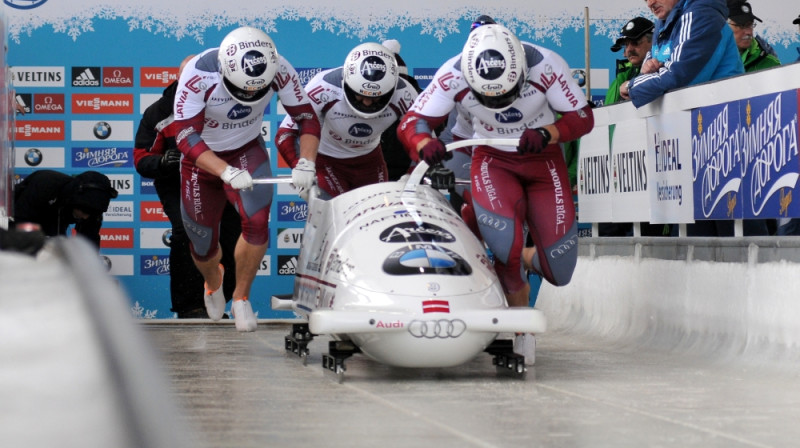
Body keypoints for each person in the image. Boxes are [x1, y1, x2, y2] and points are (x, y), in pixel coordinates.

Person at [397, 24, 594, 364]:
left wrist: (549, 133)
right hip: (492, 161)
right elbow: (413, 120)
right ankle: (521, 330)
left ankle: (526, 261)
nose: (499, 103)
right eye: (490, 97)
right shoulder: (453, 73)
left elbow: (582, 117)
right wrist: (424, 142)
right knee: (506, 248)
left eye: (506, 93)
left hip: (542, 160)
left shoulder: (546, 64)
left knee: (560, 271)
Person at [173, 26, 321, 331]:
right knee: (202, 241)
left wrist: (306, 162)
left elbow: (306, 116)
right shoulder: (199, 72)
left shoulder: (278, 66)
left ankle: (241, 298)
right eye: (244, 88)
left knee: (256, 222)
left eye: (258, 89)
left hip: (246, 149)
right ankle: (214, 283)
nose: (251, 94)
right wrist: (224, 171)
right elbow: (186, 136)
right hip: (201, 159)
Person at [134, 55, 241, 319]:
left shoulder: (229, 104)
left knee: (232, 234)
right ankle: (189, 306)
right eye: (191, 79)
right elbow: (140, 157)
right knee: (186, 231)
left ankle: (217, 299)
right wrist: (162, 162)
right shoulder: (159, 112)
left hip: (219, 180)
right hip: (177, 181)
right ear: (180, 79)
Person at [275, 42, 417, 198]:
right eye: (360, 95)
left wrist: (412, 175)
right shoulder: (324, 87)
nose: (367, 102)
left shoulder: (405, 94)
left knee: (372, 213)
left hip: (369, 161)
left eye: (375, 98)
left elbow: (423, 138)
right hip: (325, 161)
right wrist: (302, 166)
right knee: (330, 211)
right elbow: (285, 132)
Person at [601, 17, 671, 237]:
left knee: (653, 243)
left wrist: (637, 84)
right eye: (626, 44)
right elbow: (608, 127)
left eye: (635, 43)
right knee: (609, 240)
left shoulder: (666, 70)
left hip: (654, 175)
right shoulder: (620, 77)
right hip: (620, 176)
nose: (629, 49)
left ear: (652, 43)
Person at [620, 0, 744, 108]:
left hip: (724, 117)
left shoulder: (701, 15)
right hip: (692, 119)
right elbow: (648, 71)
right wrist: (647, 73)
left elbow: (677, 77)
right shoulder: (662, 22)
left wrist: (632, 86)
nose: (650, 3)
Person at [13, 170, 117, 247]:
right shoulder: (44, 184)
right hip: (21, 215)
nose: (86, 217)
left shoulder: (94, 207)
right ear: (75, 201)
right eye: (84, 211)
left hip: (56, 221)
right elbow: (20, 222)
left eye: (91, 213)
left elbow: (89, 244)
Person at [379, 39, 422, 181]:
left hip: (409, 175)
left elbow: (429, 140)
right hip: (372, 171)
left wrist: (413, 173)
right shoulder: (365, 99)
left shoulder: (424, 102)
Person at [727, 1, 781, 72]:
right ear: (724, 26)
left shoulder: (770, 64)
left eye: (750, 25)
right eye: (741, 25)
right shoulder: (710, 61)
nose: (749, 32)